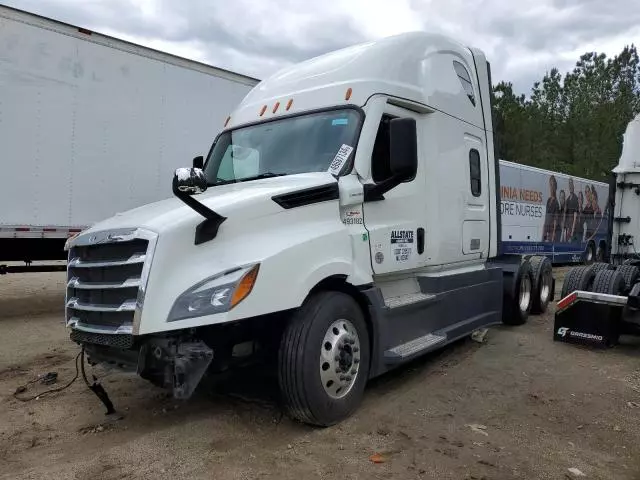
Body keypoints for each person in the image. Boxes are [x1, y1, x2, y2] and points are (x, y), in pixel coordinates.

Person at [542, 175, 560, 242]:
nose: (551, 187)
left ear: (555, 187)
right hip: (546, 229)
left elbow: (555, 220)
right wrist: (543, 232)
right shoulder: (548, 200)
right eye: (550, 185)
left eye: (553, 185)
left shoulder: (556, 203)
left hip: (551, 231)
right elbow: (546, 217)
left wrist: (553, 235)